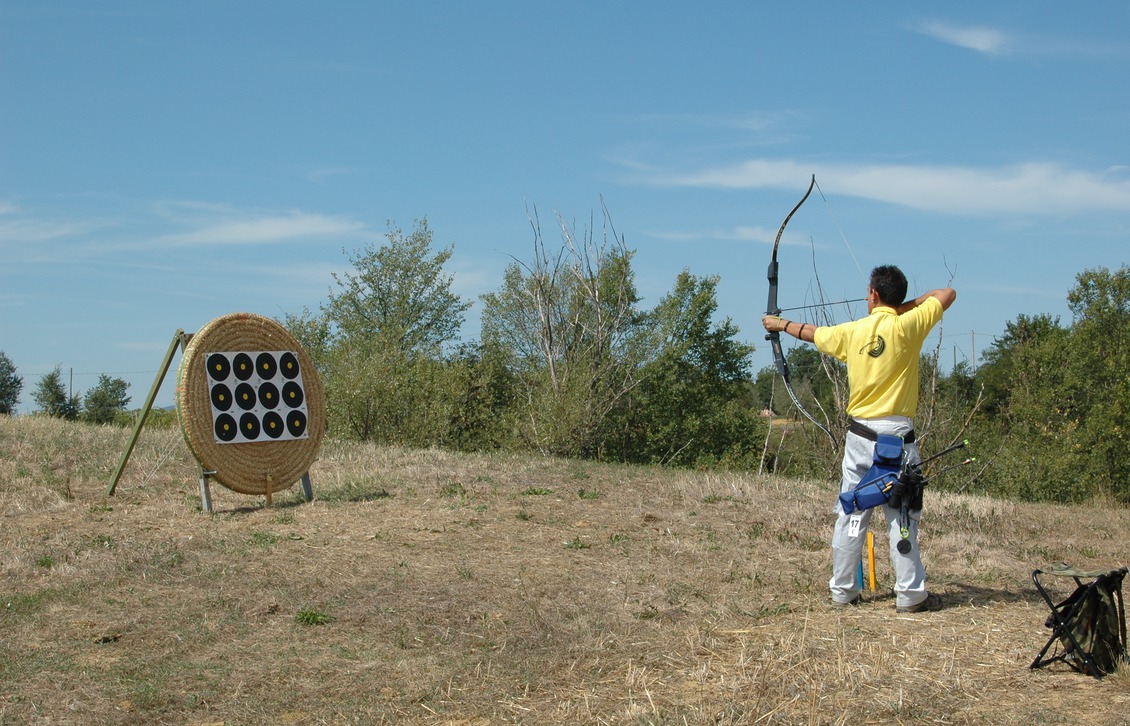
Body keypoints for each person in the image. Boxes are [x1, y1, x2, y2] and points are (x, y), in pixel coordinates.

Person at [762, 265, 956, 613]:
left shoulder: (853, 332)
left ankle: (843, 592)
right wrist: (903, 307)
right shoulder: (910, 325)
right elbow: (947, 294)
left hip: (860, 438)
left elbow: (812, 332)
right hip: (898, 439)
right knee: (902, 516)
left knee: (852, 511)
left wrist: (779, 325)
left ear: (873, 295)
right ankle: (911, 597)